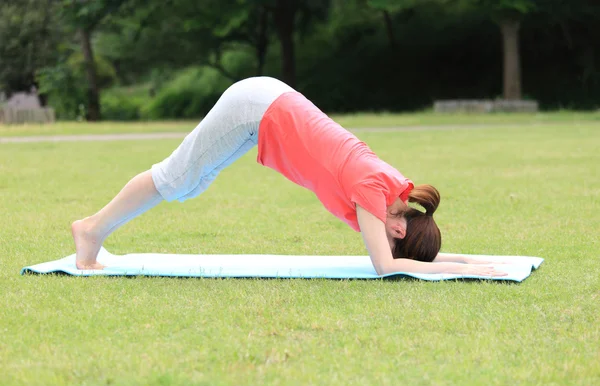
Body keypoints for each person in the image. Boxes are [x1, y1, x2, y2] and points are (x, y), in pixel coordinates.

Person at [71, 77, 507, 277]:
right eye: (395, 237)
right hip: (257, 108)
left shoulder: (395, 192)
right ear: (398, 226)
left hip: (266, 107)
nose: (384, 238)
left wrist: (471, 262)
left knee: (190, 183)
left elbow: (396, 255)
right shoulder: (374, 193)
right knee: (176, 179)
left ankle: (95, 229)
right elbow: (386, 266)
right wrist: (463, 270)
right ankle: (90, 230)